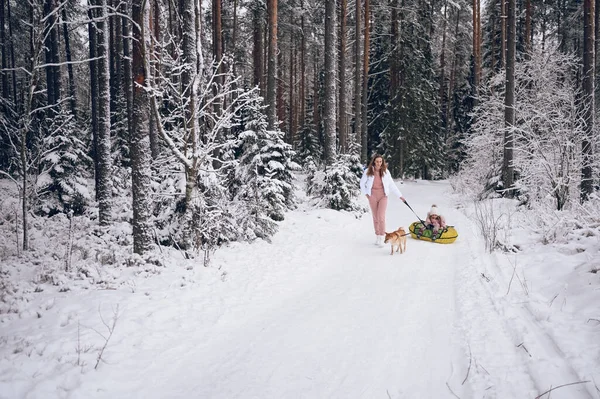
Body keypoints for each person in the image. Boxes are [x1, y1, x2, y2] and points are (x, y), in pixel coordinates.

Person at [360, 154, 406, 246]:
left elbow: (392, 185)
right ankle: (377, 236)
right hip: (372, 196)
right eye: (377, 161)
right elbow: (362, 183)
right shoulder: (368, 171)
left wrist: (400, 196)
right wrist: (366, 194)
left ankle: (382, 236)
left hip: (383, 196)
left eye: (380, 161)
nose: (379, 163)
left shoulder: (386, 172)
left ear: (382, 162)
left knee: (381, 217)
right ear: (374, 162)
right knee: (375, 217)